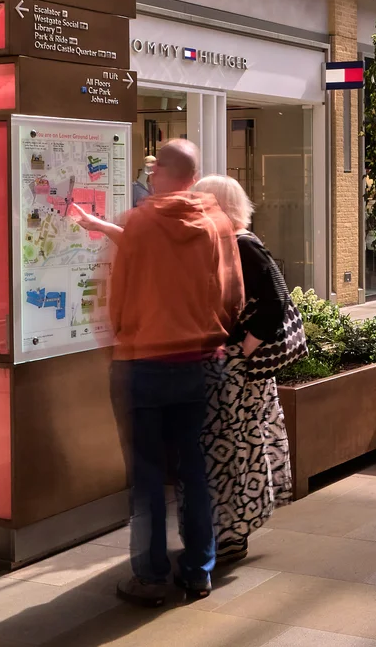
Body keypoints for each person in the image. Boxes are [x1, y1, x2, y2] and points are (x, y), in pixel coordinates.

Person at [106, 139, 242, 604]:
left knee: (146, 476)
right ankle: (199, 570)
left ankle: (150, 577)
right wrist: (211, 335)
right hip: (199, 365)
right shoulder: (217, 224)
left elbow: (119, 300)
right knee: (194, 470)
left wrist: (128, 335)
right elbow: (233, 295)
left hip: (142, 363)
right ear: (194, 176)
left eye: (153, 168)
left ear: (160, 173)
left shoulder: (139, 223)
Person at [191, 175, 292, 564]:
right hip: (233, 370)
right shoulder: (226, 242)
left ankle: (233, 534)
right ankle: (228, 531)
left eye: (201, 201)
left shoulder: (242, 244)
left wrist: (243, 349)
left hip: (238, 374)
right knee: (229, 447)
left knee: (233, 448)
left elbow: (277, 299)